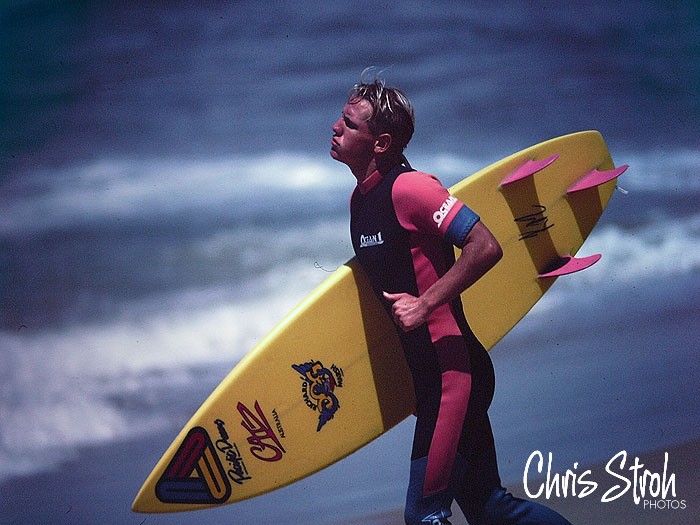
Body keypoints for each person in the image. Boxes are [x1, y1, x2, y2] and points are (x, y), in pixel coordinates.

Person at [330, 72, 573, 525]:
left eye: (349, 123)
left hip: (452, 376)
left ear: (381, 143)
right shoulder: (359, 201)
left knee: (424, 514)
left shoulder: (413, 189)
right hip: (432, 379)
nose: (336, 127)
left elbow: (486, 246)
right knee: (492, 508)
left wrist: (424, 304)